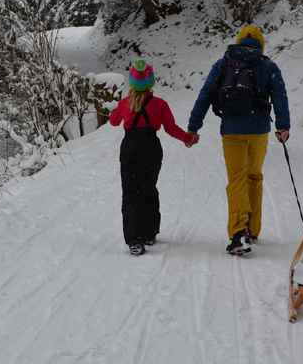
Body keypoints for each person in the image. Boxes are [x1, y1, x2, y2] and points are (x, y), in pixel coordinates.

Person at [187, 25, 290, 255]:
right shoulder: (268, 66)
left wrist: (194, 126)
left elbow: (205, 94)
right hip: (259, 131)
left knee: (237, 179)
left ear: (239, 41)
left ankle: (238, 232)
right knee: (254, 176)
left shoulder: (224, 63)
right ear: (260, 44)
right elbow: (280, 96)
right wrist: (283, 126)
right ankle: (252, 229)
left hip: (231, 129)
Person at [109, 59, 199, 256]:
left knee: (130, 193)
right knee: (148, 189)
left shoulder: (125, 103)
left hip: (130, 149)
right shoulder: (159, 105)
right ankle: (149, 232)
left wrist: (117, 109)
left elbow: (113, 122)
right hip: (151, 149)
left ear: (132, 83)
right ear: (151, 82)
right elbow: (171, 128)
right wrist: (188, 138)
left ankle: (134, 239)